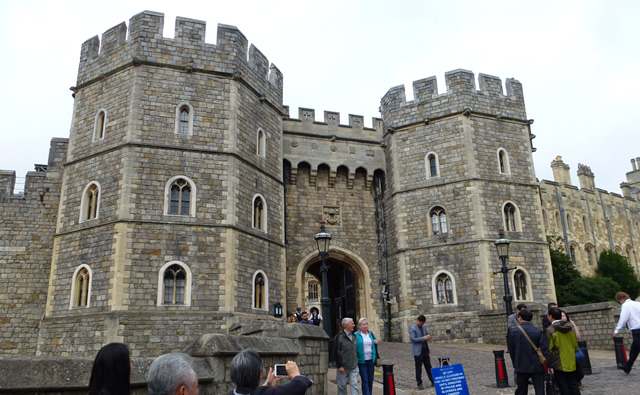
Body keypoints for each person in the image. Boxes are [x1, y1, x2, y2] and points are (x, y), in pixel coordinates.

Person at [228, 348, 313, 395]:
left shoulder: (231, 393)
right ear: (260, 374)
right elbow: (301, 385)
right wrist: (295, 374)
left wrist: (266, 385)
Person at [508, 309, 553, 395]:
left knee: (521, 390)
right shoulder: (537, 331)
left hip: (521, 364)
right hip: (536, 364)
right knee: (540, 390)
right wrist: (549, 364)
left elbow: (512, 350)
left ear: (520, 318)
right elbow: (544, 349)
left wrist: (515, 364)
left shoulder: (514, 332)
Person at [545, 308, 580, 395]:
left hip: (558, 361)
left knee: (563, 386)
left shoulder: (550, 330)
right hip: (570, 360)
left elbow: (549, 348)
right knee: (573, 384)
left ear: (551, 316)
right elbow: (575, 345)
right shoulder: (569, 327)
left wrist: (550, 361)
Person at [613, 291, 640, 374]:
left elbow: (623, 318)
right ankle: (627, 367)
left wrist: (617, 330)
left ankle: (627, 366)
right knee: (634, 350)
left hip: (637, 329)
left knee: (637, 347)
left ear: (621, 299)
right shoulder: (637, 304)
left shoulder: (625, 306)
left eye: (619, 301)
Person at [333, 317, 359, 395]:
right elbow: (335, 352)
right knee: (342, 387)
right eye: (352, 324)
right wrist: (339, 366)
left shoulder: (354, 336)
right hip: (343, 367)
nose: (354, 325)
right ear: (346, 325)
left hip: (353, 366)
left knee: (354, 386)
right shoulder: (339, 337)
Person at [355, 318, 379, 395]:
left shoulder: (371, 334)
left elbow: (376, 346)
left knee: (370, 379)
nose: (365, 326)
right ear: (359, 326)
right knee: (365, 379)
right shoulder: (356, 335)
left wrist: (376, 343)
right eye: (363, 324)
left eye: (366, 324)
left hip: (371, 360)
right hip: (362, 361)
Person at [410, 315, 433, 390]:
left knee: (429, 366)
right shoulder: (413, 328)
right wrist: (423, 338)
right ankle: (419, 383)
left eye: (423, 323)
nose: (422, 324)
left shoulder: (424, 327)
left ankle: (432, 380)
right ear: (418, 321)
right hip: (418, 351)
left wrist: (427, 337)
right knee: (418, 368)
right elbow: (413, 339)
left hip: (425, 350)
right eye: (421, 323)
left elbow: (426, 334)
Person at [562, 310, 584, 387]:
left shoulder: (570, 325)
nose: (562, 318)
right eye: (561, 316)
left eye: (564, 316)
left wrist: (573, 324)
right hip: (565, 351)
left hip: (573, 350)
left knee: (579, 370)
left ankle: (577, 381)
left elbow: (578, 337)